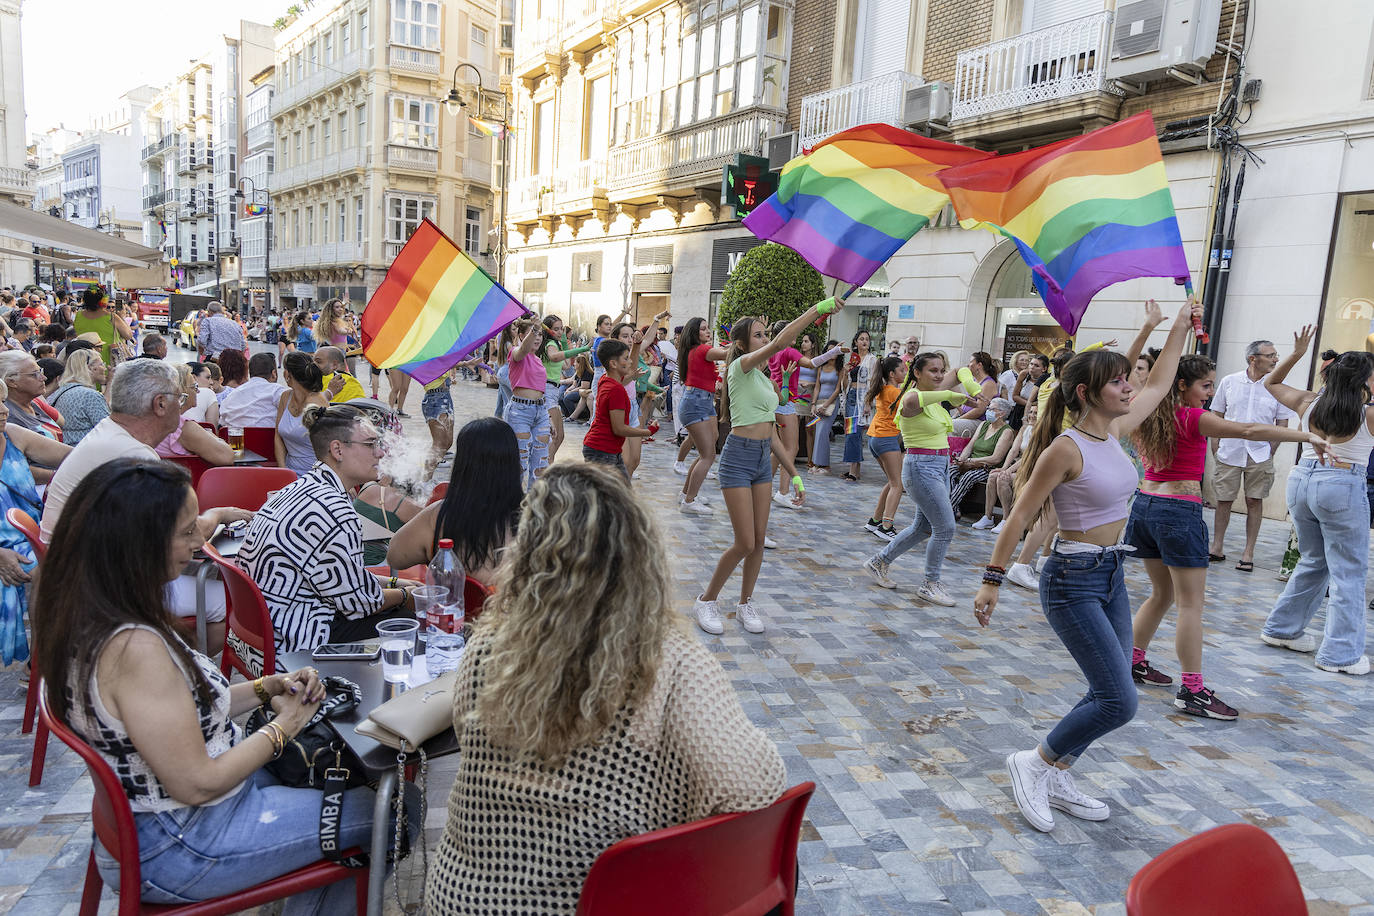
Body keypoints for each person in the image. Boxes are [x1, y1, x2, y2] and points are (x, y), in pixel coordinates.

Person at [35, 458, 417, 914]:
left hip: (156, 824)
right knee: (396, 810)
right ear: (135, 544)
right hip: (183, 843)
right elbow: (199, 783)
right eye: (186, 532)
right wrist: (285, 727)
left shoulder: (93, 612)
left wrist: (265, 687)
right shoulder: (134, 648)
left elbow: (183, 709)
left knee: (345, 784)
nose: (201, 542)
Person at [425, 463, 785, 915]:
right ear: (640, 554)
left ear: (528, 553)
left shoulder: (487, 645)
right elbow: (754, 789)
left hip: (462, 900)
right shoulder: (669, 660)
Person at [973, 299, 1199, 834]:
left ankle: (1056, 770)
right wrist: (992, 581)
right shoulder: (1065, 449)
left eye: (1127, 381)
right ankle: (1033, 763)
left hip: (1110, 575)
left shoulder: (1113, 435)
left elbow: (1162, 383)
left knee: (1109, 687)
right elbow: (1020, 517)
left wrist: (1179, 329)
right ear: (1085, 393)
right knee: (1120, 701)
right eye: (1119, 382)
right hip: (1071, 581)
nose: (1129, 388)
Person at [1126, 352, 1326, 719]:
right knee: (1190, 605)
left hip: (1145, 505)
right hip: (1177, 512)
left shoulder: (1142, 409)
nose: (1210, 392)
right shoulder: (1192, 417)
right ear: (1182, 384)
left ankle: (1133, 662)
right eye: (1205, 385)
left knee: (1161, 594)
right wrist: (1305, 434)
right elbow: (1249, 430)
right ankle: (1192, 690)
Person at [41, 360, 250, 653]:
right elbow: (176, 540)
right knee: (238, 601)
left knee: (210, 577)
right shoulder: (133, 455)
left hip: (80, 573)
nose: (183, 404)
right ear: (160, 404)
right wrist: (220, 514)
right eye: (179, 397)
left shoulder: (112, 434)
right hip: (100, 587)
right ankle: (172, 672)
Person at [693, 301, 834, 635]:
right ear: (743, 344)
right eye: (758, 336)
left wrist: (796, 475)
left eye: (764, 335)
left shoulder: (766, 381)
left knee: (757, 541)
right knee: (744, 542)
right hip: (737, 459)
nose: (764, 340)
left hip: (760, 460)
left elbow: (771, 433)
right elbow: (781, 343)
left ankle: (745, 603)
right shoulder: (740, 366)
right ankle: (706, 599)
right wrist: (818, 310)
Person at [238, 405, 419, 654]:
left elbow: (346, 580)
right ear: (337, 449)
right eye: (370, 444)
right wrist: (405, 595)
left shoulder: (302, 487)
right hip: (292, 644)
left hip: (258, 636)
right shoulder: (336, 510)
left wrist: (396, 581)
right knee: (413, 618)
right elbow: (360, 602)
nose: (380, 453)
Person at [1260, 327, 1374, 676]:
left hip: (1302, 480)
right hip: (1341, 485)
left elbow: (1271, 384)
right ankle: (1340, 655)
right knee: (1349, 574)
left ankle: (1282, 629)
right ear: (1363, 381)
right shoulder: (1368, 413)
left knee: (1313, 561)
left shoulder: (1310, 402)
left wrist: (1296, 354)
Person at [860, 352, 970, 606]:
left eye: (941, 370)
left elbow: (961, 373)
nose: (940, 375)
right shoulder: (909, 397)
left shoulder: (934, 396)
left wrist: (972, 383)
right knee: (945, 527)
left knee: (924, 527)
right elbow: (914, 401)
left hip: (941, 465)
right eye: (933, 370)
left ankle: (879, 562)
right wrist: (949, 394)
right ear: (917, 373)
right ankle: (930, 584)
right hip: (922, 467)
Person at [387, 417, 522, 584]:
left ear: (462, 464)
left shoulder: (439, 515)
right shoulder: (537, 515)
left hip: (454, 608)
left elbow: (396, 557)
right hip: (518, 609)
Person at [1207, 339, 1296, 572]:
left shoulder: (1278, 386)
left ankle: (1248, 552)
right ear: (1253, 359)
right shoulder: (1229, 382)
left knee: (1254, 501)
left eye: (1276, 355)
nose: (1276, 359)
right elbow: (1216, 415)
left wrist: (1271, 449)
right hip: (1229, 451)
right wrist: (1215, 447)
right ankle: (1216, 547)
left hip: (1260, 454)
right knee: (1223, 500)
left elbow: (1283, 423)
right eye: (1271, 355)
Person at [0, 386, 68, 664]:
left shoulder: (12, 435)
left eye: (2, 401)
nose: (4, 410)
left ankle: (42, 663)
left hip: (27, 537)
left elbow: (75, 458)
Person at [768, 326, 841, 508]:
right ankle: (783, 492)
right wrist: (834, 352)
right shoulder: (789, 351)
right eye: (792, 332)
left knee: (779, 450)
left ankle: (763, 486)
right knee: (790, 449)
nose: (796, 336)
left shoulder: (773, 351)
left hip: (775, 401)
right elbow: (811, 363)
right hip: (786, 403)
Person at [672, 317, 725, 513]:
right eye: (703, 329)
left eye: (708, 328)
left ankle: (687, 493)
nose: (708, 331)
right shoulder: (702, 349)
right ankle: (689, 501)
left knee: (709, 449)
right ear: (695, 333)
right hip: (696, 402)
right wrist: (741, 341)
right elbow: (727, 354)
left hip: (703, 401)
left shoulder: (696, 350)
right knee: (708, 455)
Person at [582, 337, 650, 479]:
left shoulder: (605, 380)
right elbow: (619, 428)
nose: (630, 362)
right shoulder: (615, 390)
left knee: (619, 491)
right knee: (606, 495)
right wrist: (647, 431)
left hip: (604, 449)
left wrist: (636, 347)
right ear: (613, 363)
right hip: (601, 450)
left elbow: (624, 377)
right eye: (626, 358)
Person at [974, 399, 1039, 532]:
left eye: (1036, 413)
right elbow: (1014, 450)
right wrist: (1004, 468)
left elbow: (1029, 457)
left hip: (1031, 468)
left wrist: (1008, 471)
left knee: (1003, 479)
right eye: (1031, 412)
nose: (1032, 415)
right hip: (1018, 465)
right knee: (993, 476)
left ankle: (1006, 519)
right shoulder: (1024, 428)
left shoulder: (1041, 432)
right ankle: (988, 517)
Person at [861, 355, 907, 539]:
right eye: (902, 370)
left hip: (876, 438)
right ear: (891, 374)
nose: (905, 373)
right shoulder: (894, 392)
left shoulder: (885, 389)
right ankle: (886, 526)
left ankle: (875, 521)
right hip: (885, 439)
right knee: (897, 484)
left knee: (891, 481)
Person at [154, 365, 235, 466]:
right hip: (188, 479)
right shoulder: (181, 426)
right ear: (181, 392)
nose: (198, 391)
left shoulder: (153, 420)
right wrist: (213, 436)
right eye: (194, 387)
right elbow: (227, 456)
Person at [948, 397, 1016, 514]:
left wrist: (971, 461)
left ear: (1002, 413)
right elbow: (970, 445)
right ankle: (954, 509)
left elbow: (996, 458)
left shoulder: (1006, 432)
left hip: (987, 467)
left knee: (968, 477)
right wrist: (962, 459)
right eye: (988, 408)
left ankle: (947, 509)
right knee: (949, 472)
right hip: (970, 462)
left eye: (992, 409)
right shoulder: (984, 424)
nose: (988, 411)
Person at [503, 320, 551, 486]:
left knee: (541, 464)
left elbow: (541, 390)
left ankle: (534, 504)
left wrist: (548, 418)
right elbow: (522, 350)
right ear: (521, 336)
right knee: (520, 463)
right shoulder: (516, 353)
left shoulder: (537, 360)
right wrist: (537, 327)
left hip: (541, 411)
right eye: (533, 333)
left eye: (539, 334)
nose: (537, 337)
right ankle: (513, 503)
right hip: (520, 412)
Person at [539, 314, 592, 465]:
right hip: (547, 391)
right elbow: (555, 357)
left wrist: (563, 342)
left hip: (552, 391)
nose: (560, 331)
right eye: (556, 329)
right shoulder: (549, 344)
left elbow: (566, 365)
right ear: (548, 330)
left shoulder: (554, 344)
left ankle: (545, 463)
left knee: (554, 435)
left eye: (561, 328)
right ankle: (545, 464)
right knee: (557, 435)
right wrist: (582, 348)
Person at [274, 351, 330, 475]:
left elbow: (328, 446)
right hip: (289, 471)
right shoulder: (285, 397)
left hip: (316, 473)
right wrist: (283, 471)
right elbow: (277, 435)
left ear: (287, 375)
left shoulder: (317, 403)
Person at [47, 349, 110, 446]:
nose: (105, 368)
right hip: (88, 452)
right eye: (101, 364)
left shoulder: (60, 391)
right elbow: (108, 429)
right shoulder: (90, 396)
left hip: (66, 451)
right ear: (90, 368)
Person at [841, 330, 877, 481]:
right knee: (850, 432)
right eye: (861, 339)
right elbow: (844, 385)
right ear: (856, 342)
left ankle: (853, 471)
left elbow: (874, 382)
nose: (864, 342)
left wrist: (869, 402)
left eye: (867, 339)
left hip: (863, 398)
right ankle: (854, 468)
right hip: (851, 396)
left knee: (855, 434)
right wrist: (845, 371)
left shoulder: (872, 360)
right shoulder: (852, 359)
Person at [808, 341, 846, 474]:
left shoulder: (841, 369)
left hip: (831, 404)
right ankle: (817, 464)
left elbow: (837, 390)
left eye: (835, 350)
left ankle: (825, 466)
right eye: (830, 350)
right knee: (818, 432)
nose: (832, 353)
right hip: (818, 404)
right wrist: (813, 404)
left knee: (824, 432)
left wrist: (826, 405)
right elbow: (817, 387)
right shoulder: (821, 367)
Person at [219, 353, 284, 428]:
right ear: (274, 373)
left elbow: (222, 423)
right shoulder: (277, 391)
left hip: (236, 437)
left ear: (250, 372)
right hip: (267, 438)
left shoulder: (231, 395)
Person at [72, 287, 132, 366]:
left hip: (84, 362)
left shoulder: (78, 315)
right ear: (103, 301)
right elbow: (128, 335)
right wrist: (121, 317)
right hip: (108, 362)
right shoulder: (111, 316)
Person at [949, 352, 1001, 436]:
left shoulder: (988, 383)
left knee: (950, 427)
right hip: (966, 419)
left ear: (979, 365)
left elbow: (979, 410)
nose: (968, 365)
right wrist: (955, 416)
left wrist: (959, 419)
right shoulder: (974, 381)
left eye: (970, 362)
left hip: (978, 422)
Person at [181, 361, 221, 425]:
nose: (211, 382)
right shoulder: (208, 393)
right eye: (208, 377)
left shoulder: (172, 393)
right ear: (193, 377)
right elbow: (212, 427)